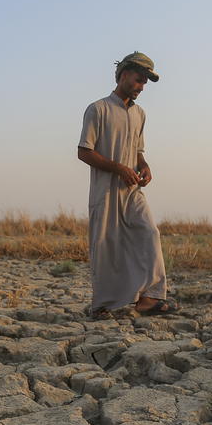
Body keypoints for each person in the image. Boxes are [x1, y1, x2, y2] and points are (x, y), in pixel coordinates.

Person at [77, 52, 176, 319]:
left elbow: (138, 150)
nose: (141, 87)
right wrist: (118, 168)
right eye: (138, 80)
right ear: (122, 75)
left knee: (148, 232)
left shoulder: (140, 114)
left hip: (132, 190)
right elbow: (84, 152)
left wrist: (143, 165)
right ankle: (103, 305)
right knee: (107, 244)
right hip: (105, 190)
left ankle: (150, 297)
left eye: (144, 83)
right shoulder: (98, 109)